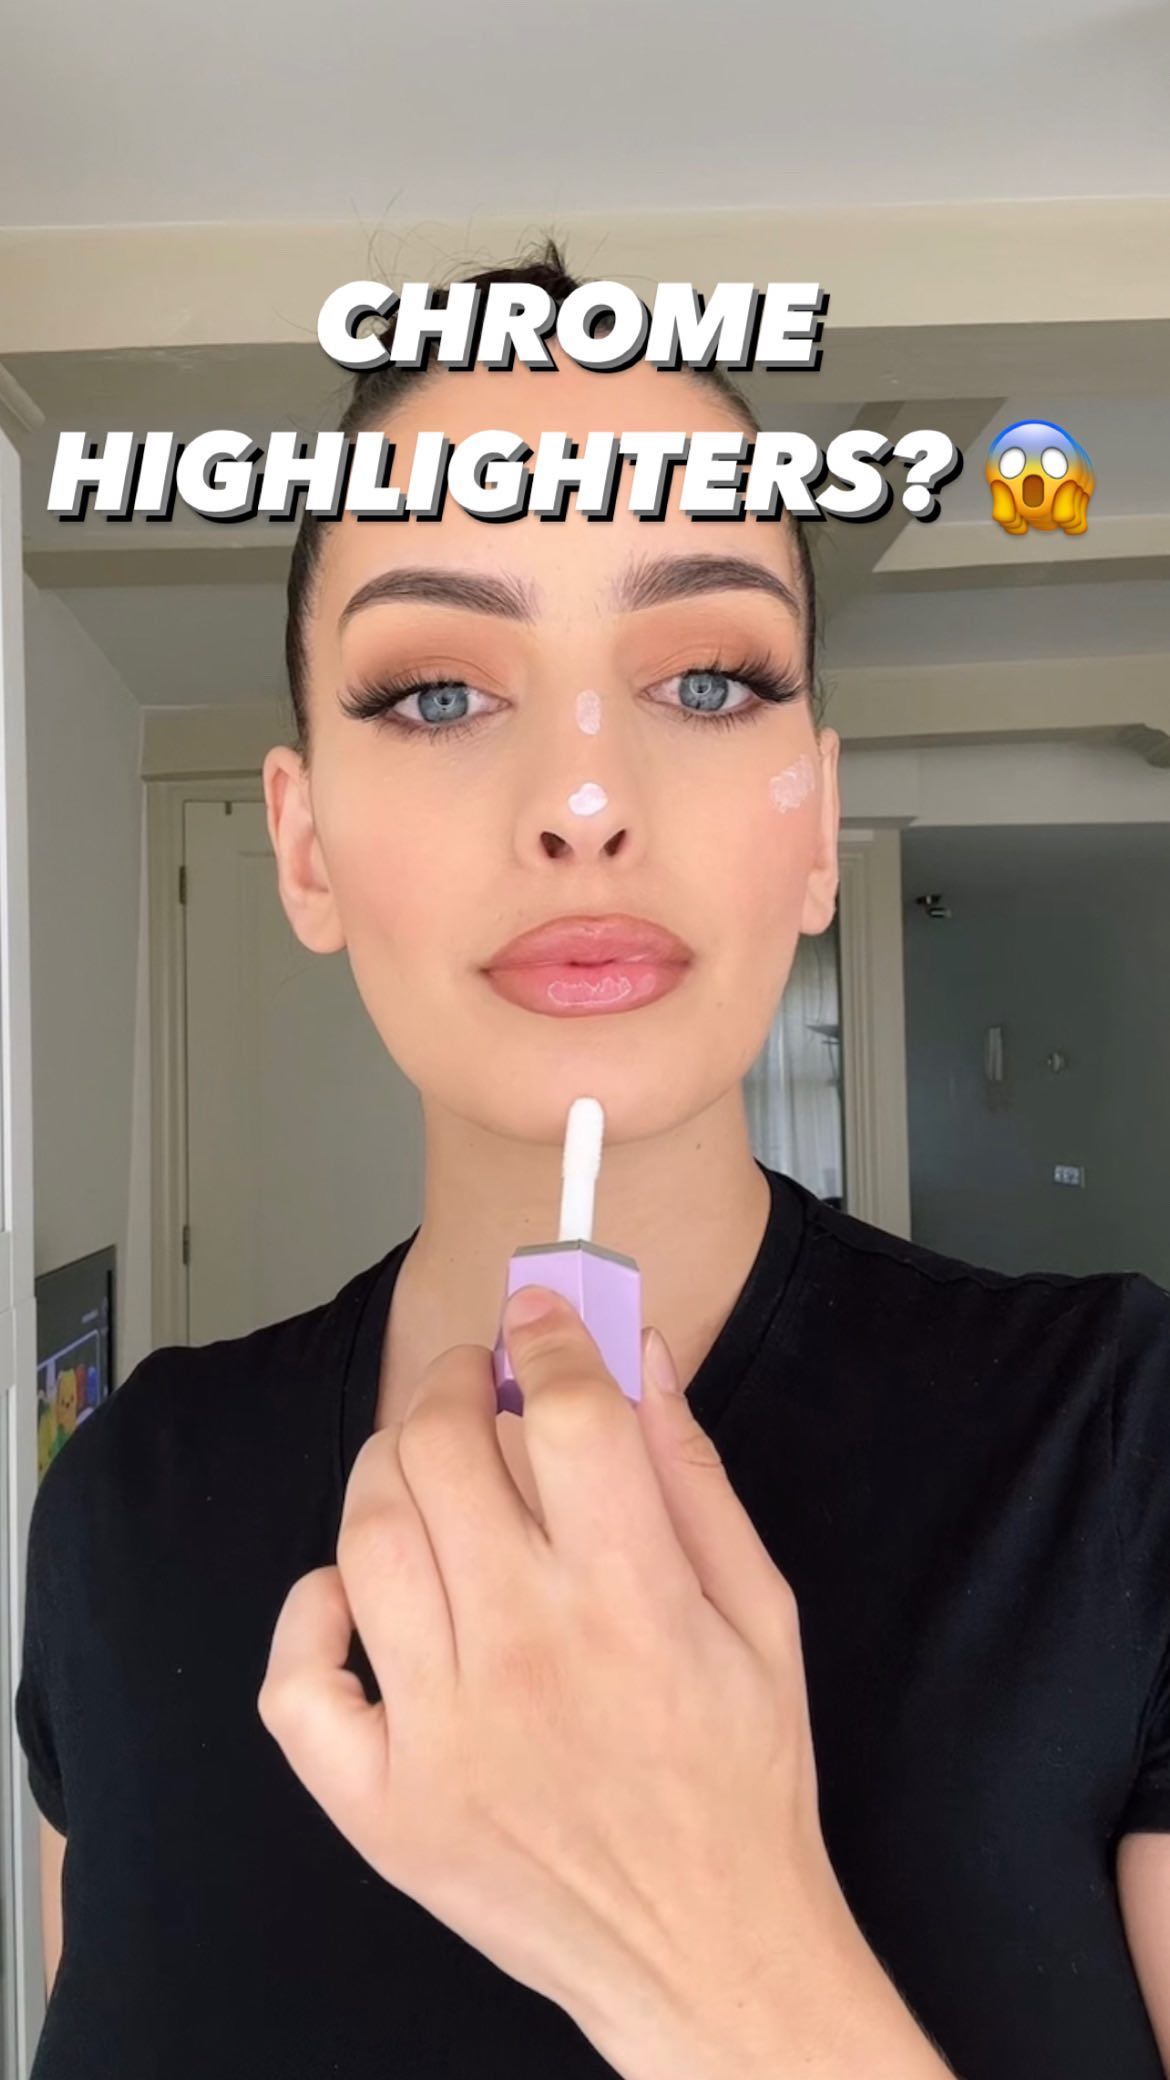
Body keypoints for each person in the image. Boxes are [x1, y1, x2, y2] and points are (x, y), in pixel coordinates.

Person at [15, 241, 1170, 2080]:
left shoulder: (1122, 1452)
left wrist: (706, 1948)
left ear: (816, 829)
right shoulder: (124, 1507)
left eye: (706, 678)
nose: (581, 800)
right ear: (303, 849)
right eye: (434, 692)